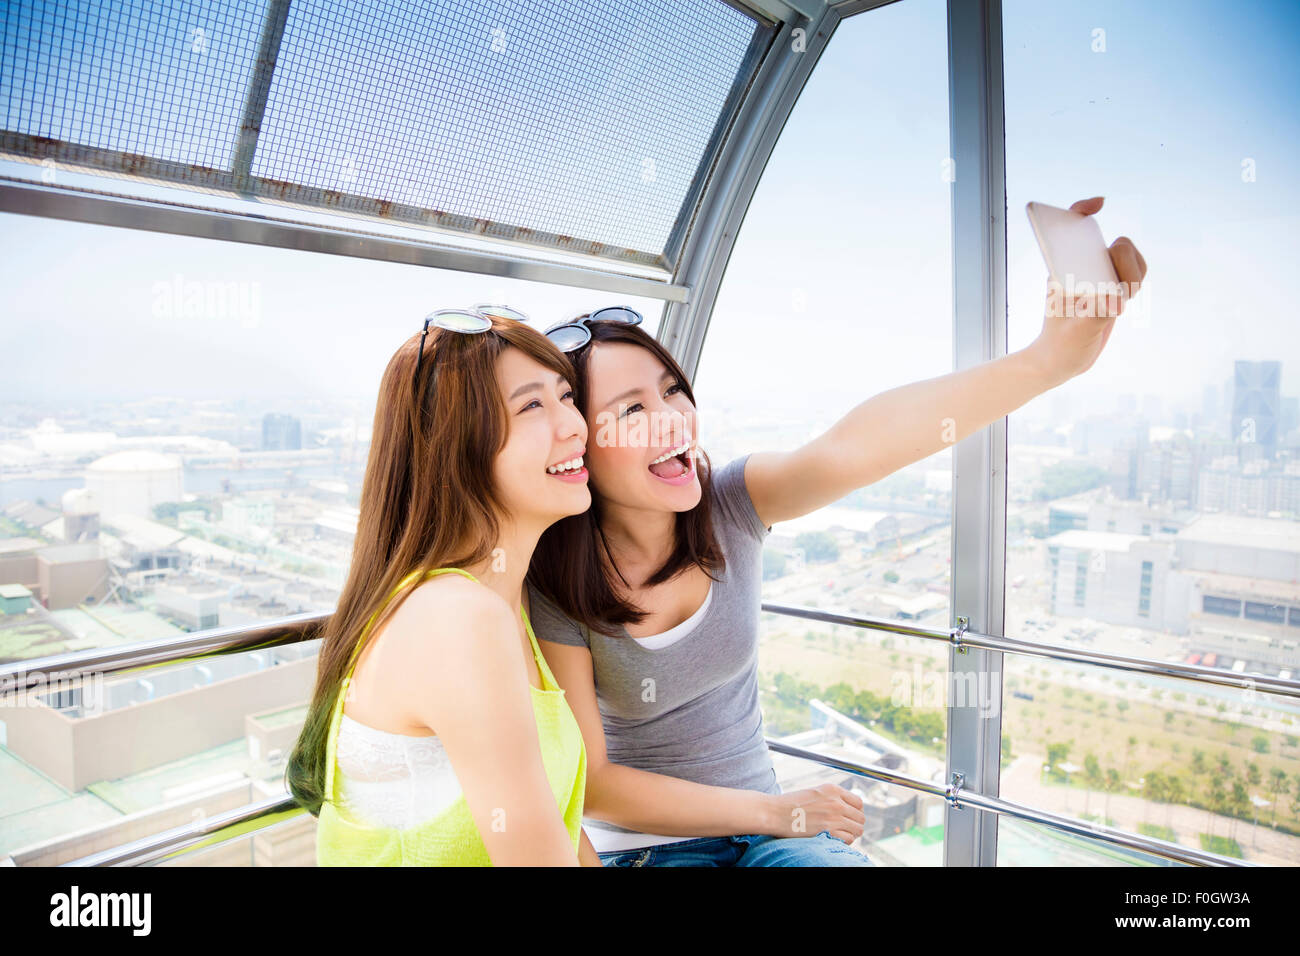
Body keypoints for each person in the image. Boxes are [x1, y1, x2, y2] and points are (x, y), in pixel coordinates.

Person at [525, 197, 1147, 866]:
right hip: (654, 852)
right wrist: (779, 809)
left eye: (672, 389)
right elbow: (593, 784)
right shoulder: (556, 579)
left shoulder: (732, 504)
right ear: (580, 444)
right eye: (632, 410)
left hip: (771, 842)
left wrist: (1049, 360)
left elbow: (860, 444)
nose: (671, 418)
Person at [287, 305, 605, 866]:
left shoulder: (507, 601)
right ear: (456, 446)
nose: (574, 424)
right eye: (531, 404)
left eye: (566, 396)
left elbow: (560, 828)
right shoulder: (456, 616)